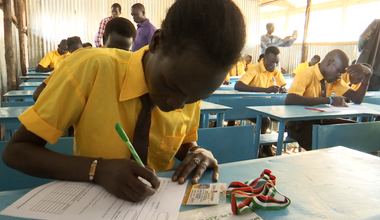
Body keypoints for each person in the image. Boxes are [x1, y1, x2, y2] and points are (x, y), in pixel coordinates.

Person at [3, 0, 246, 203]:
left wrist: (197, 151)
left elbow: (182, 143)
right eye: (171, 86)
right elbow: (16, 152)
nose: (178, 104)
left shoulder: (188, 88)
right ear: (157, 42)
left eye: (195, 98)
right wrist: (97, 170)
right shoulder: (90, 69)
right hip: (94, 207)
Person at [285, 49, 372, 151]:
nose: (340, 76)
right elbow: (291, 99)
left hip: (321, 121)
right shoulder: (306, 73)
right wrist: (329, 100)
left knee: (362, 131)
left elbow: (357, 99)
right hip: (300, 125)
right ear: (330, 62)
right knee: (328, 145)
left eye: (342, 73)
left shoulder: (333, 79)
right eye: (339, 72)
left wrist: (367, 77)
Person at [233, 46, 287, 157]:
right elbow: (238, 85)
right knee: (265, 121)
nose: (274, 65)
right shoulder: (255, 68)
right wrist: (266, 90)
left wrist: (284, 88)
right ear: (264, 59)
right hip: (249, 106)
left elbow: (283, 84)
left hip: (264, 106)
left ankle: (266, 146)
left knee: (281, 118)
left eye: (277, 62)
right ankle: (262, 148)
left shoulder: (274, 70)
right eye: (272, 62)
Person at [33, 36, 84, 102]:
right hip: (55, 77)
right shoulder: (51, 55)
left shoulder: (71, 55)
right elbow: (39, 68)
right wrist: (54, 69)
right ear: (58, 46)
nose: (65, 51)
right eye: (63, 49)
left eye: (67, 50)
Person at [357, 19, 380, 91]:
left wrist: (362, 49)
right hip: (377, 70)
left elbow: (363, 38)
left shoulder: (377, 22)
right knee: (375, 93)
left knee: (360, 88)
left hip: (368, 62)